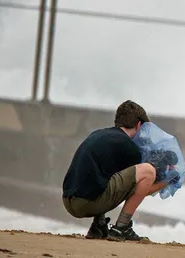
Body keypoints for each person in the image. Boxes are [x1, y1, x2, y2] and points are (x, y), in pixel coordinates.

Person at [61, 100, 168, 242]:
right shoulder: (128, 146)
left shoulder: (100, 135)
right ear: (139, 126)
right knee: (148, 172)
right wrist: (167, 180)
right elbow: (137, 188)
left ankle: (98, 226)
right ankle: (121, 228)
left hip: (68, 201)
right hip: (85, 203)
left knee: (107, 174)